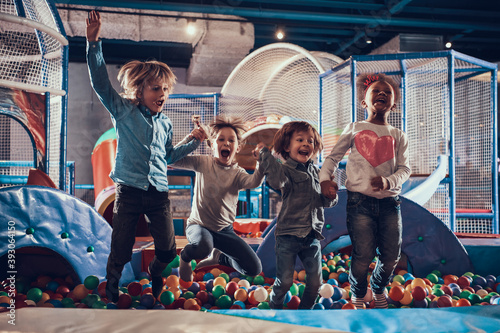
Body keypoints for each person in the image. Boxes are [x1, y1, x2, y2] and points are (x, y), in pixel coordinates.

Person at [86, 10, 206, 302]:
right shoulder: (123, 111)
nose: (162, 94)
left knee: (168, 250)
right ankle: (112, 284)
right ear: (138, 90)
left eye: (165, 89)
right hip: (128, 192)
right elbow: (101, 84)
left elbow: (167, 156)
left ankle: (155, 272)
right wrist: (93, 44)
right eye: (155, 88)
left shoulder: (165, 123)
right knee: (122, 247)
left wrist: (193, 140)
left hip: (157, 194)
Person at [319, 73, 411, 309]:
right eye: (376, 91)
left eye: (387, 92)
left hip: (390, 204)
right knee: (363, 254)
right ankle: (359, 293)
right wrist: (324, 179)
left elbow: (405, 169)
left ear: (393, 103)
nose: (382, 93)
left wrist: (388, 181)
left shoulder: (398, 135)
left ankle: (378, 288)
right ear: (364, 102)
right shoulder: (355, 128)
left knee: (391, 255)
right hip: (359, 203)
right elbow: (333, 157)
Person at [254, 121, 337, 309]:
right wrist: (264, 155)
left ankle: (303, 314)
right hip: (288, 236)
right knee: (284, 281)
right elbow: (276, 179)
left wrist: (331, 195)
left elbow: (325, 202)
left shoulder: (318, 173)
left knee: (316, 283)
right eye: (300, 140)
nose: (306, 144)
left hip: (312, 236)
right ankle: (275, 310)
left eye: (310, 141)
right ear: (286, 146)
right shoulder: (285, 171)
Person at [172, 115, 264, 282]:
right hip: (199, 226)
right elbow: (171, 158)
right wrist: (191, 139)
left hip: (224, 230)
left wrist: (261, 164)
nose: (226, 143)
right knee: (203, 247)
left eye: (231, 140)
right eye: (221, 139)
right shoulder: (203, 163)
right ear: (211, 144)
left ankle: (221, 258)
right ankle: (185, 258)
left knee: (254, 268)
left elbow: (254, 182)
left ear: (237, 147)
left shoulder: (237, 173)